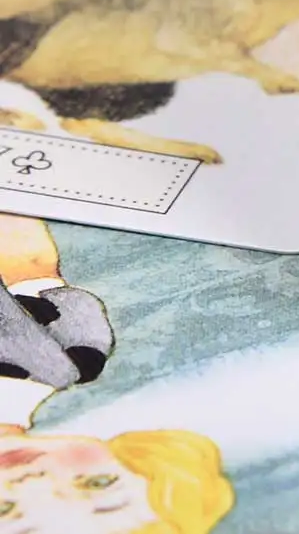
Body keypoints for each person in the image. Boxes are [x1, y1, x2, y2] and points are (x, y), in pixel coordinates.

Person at [0, 215, 233, 534]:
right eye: (97, 482)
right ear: (134, 455)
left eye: (6, 510)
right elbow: (22, 253)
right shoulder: (72, 353)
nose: (34, 481)